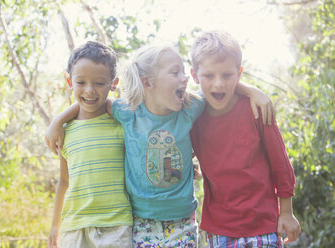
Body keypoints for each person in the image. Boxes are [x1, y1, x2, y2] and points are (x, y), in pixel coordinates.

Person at [46, 44, 273, 247]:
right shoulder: (128, 113)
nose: (184, 78)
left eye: (184, 72)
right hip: (141, 221)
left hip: (182, 219)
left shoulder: (189, 109)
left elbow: (216, 90)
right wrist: (59, 119)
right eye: (176, 72)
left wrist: (251, 90)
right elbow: (95, 101)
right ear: (147, 82)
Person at [190, 30, 301, 248]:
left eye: (227, 76)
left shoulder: (257, 110)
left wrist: (286, 212)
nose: (218, 84)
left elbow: (281, 164)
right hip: (219, 227)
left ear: (239, 73)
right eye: (209, 76)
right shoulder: (191, 115)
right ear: (195, 76)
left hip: (263, 224)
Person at [47, 41, 132, 248]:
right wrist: (55, 226)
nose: (90, 90)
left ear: (114, 82)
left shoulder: (122, 125)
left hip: (117, 227)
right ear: (70, 82)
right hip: (74, 229)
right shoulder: (65, 132)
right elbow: (64, 182)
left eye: (100, 83)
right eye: (81, 82)